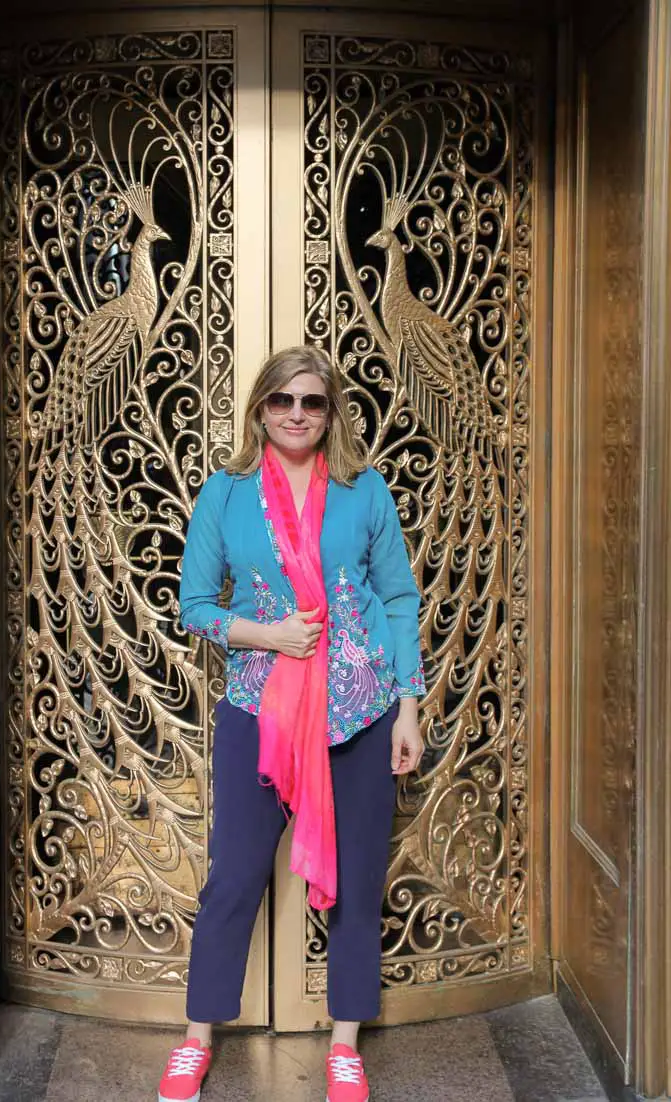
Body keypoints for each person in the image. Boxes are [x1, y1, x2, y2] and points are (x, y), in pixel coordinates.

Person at [158, 346, 425, 1102]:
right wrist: (268, 636)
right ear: (260, 410)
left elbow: (398, 599)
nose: (296, 414)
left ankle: (344, 1044)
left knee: (354, 879)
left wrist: (406, 707)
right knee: (235, 875)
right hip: (259, 708)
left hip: (361, 713)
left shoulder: (363, 491)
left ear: (330, 411)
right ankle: (196, 1036)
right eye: (281, 401)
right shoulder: (227, 494)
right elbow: (195, 607)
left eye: (311, 401)